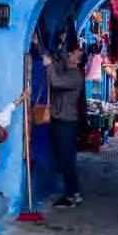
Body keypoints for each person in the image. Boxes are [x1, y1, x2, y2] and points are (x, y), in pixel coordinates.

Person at [46, 45, 85, 208]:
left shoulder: (75, 76)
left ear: (77, 60)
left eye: (72, 54)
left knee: (67, 159)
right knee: (65, 158)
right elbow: (61, 58)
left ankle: (72, 195)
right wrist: (59, 46)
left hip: (66, 122)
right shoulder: (68, 71)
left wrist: (49, 65)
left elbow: (55, 82)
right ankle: (73, 193)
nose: (69, 55)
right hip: (62, 120)